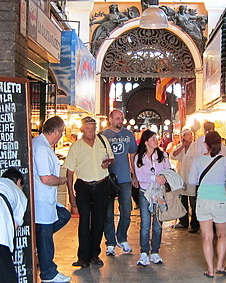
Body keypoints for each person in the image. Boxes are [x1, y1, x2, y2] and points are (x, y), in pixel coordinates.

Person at [64, 116, 114, 268]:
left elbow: (111, 158)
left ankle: (94, 255)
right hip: (84, 187)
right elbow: (69, 172)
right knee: (84, 221)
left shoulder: (103, 141)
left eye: (93, 128)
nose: (91, 131)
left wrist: (108, 163)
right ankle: (82, 257)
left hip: (101, 185)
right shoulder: (76, 147)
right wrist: (71, 195)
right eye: (87, 128)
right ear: (81, 130)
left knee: (99, 221)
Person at [188, 131, 226, 278]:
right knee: (222, 235)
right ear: (220, 144)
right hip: (220, 201)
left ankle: (210, 270)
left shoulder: (198, 160)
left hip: (202, 201)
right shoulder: (225, 161)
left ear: (206, 145)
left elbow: (191, 181)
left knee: (207, 237)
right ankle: (219, 265)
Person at [32, 116, 72, 283]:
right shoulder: (41, 148)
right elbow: (46, 178)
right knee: (45, 235)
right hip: (42, 199)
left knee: (63, 215)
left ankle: (40, 245)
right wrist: (62, 180)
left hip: (47, 199)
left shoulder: (42, 145)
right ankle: (48, 272)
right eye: (61, 132)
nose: (61, 136)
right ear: (55, 131)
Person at [100, 109, 137, 256]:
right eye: (117, 118)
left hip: (125, 178)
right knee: (108, 213)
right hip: (107, 179)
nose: (120, 121)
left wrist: (134, 174)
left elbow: (133, 154)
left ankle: (122, 237)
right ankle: (110, 242)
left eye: (121, 118)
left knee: (126, 210)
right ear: (110, 119)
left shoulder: (128, 134)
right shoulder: (103, 135)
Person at [133, 129, 172, 266]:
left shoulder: (163, 155)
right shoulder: (138, 157)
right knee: (145, 224)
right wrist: (154, 178)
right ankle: (144, 252)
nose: (156, 141)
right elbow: (140, 177)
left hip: (159, 193)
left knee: (158, 224)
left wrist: (163, 178)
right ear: (146, 142)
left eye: (156, 138)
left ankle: (155, 251)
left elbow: (168, 171)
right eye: (153, 139)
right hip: (145, 193)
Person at [171, 128, 199, 232]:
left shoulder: (196, 147)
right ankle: (183, 221)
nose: (190, 136)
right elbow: (173, 155)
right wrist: (182, 146)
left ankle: (195, 224)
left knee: (193, 202)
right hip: (182, 178)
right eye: (187, 135)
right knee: (183, 201)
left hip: (193, 178)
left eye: (190, 134)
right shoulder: (180, 147)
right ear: (183, 136)